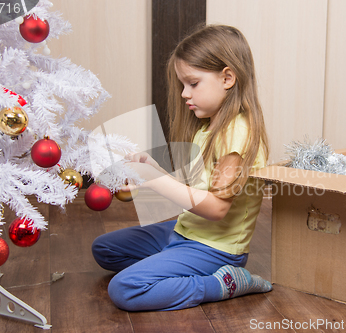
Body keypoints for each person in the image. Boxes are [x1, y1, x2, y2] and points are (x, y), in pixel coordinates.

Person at [92, 24, 272, 311]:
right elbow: (194, 190)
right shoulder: (208, 127)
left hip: (216, 249)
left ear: (227, 78)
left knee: (125, 289)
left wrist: (153, 181)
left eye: (193, 83)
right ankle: (173, 266)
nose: (184, 94)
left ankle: (223, 283)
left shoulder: (238, 133)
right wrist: (153, 169)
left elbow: (216, 208)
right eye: (182, 85)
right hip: (184, 232)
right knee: (104, 249)